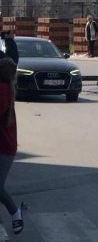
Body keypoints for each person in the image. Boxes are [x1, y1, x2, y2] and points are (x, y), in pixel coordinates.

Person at [0, 57, 24, 235]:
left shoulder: (2, 89)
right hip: (6, 146)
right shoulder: (6, 87)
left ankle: (15, 213)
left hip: (4, 147)